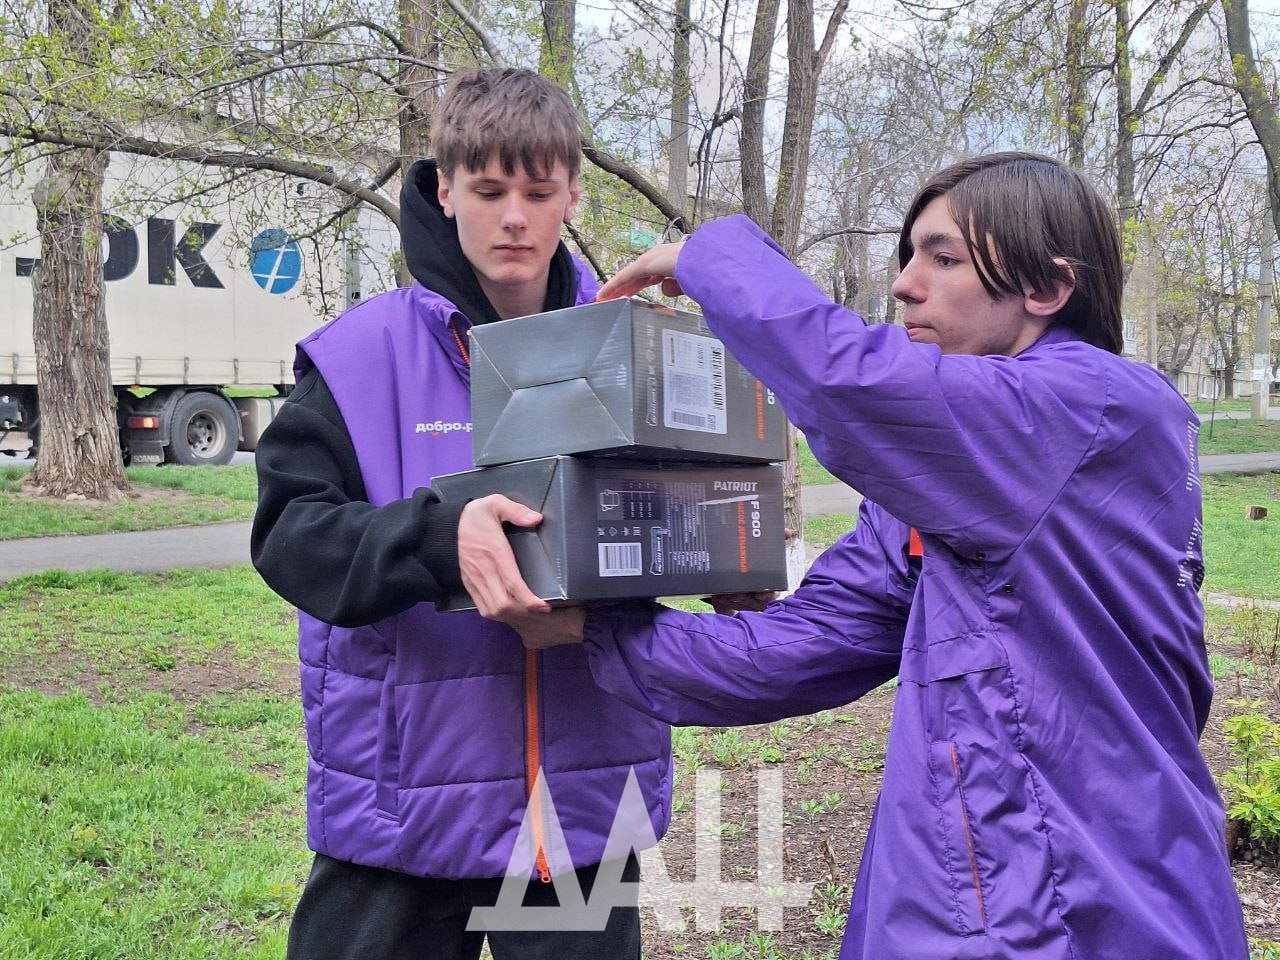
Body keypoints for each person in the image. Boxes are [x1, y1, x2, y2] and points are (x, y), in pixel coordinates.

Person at [563, 153, 1248, 959]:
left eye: (944, 257)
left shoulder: (1092, 409)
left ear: (1048, 288)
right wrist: (591, 623)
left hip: (1095, 901)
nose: (903, 284)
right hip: (958, 900)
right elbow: (806, 647)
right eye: (909, 256)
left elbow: (850, 383)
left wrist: (712, 258)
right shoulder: (949, 486)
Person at [251, 67, 671, 960]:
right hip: (402, 807)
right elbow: (292, 540)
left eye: (537, 191)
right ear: (445, 191)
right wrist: (442, 535)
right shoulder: (358, 356)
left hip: (577, 811)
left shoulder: (637, 351)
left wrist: (734, 568)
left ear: (570, 195)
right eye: (487, 191)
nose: (513, 217)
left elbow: (681, 515)